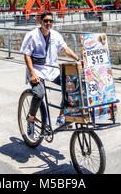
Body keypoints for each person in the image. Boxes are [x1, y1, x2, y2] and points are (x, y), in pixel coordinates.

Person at [20, 11, 80, 140]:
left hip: (52, 70)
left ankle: (62, 114)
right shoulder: (32, 35)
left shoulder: (55, 35)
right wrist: (32, 73)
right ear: (40, 22)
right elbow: (27, 55)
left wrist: (77, 59)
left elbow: (65, 49)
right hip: (37, 71)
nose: (48, 23)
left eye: (50, 21)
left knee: (72, 85)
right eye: (45, 21)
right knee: (39, 94)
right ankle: (30, 120)